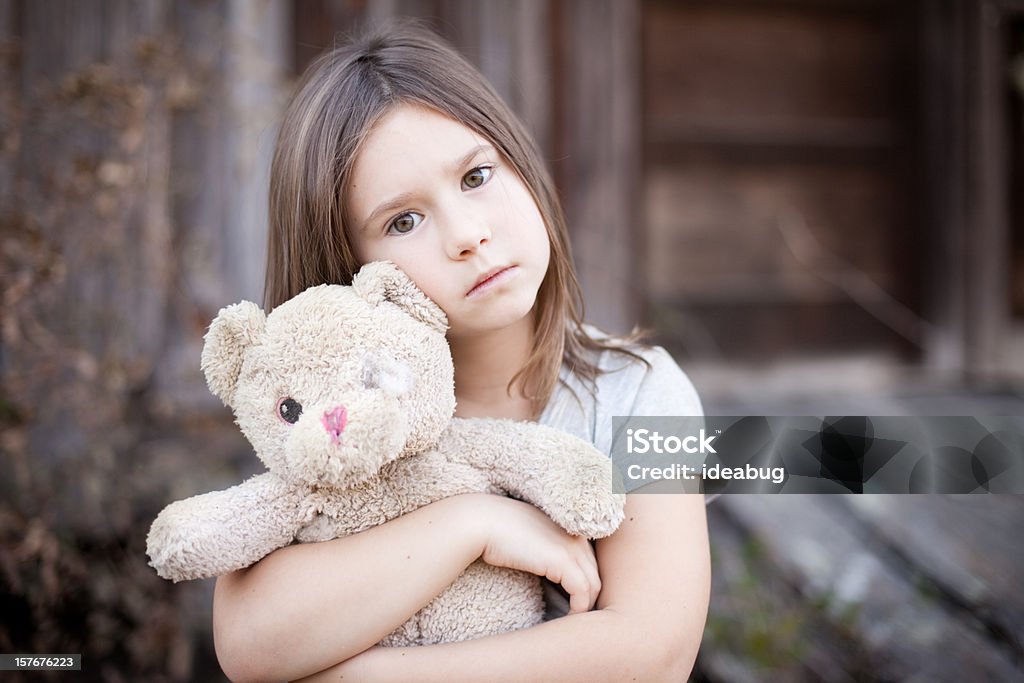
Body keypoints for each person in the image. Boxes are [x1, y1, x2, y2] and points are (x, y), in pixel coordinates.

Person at [212, 21, 711, 683]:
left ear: (522, 163)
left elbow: (653, 653)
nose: (468, 235)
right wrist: (471, 524)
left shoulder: (642, 393)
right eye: (403, 221)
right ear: (348, 271)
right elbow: (250, 641)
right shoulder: (342, 419)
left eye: (477, 175)